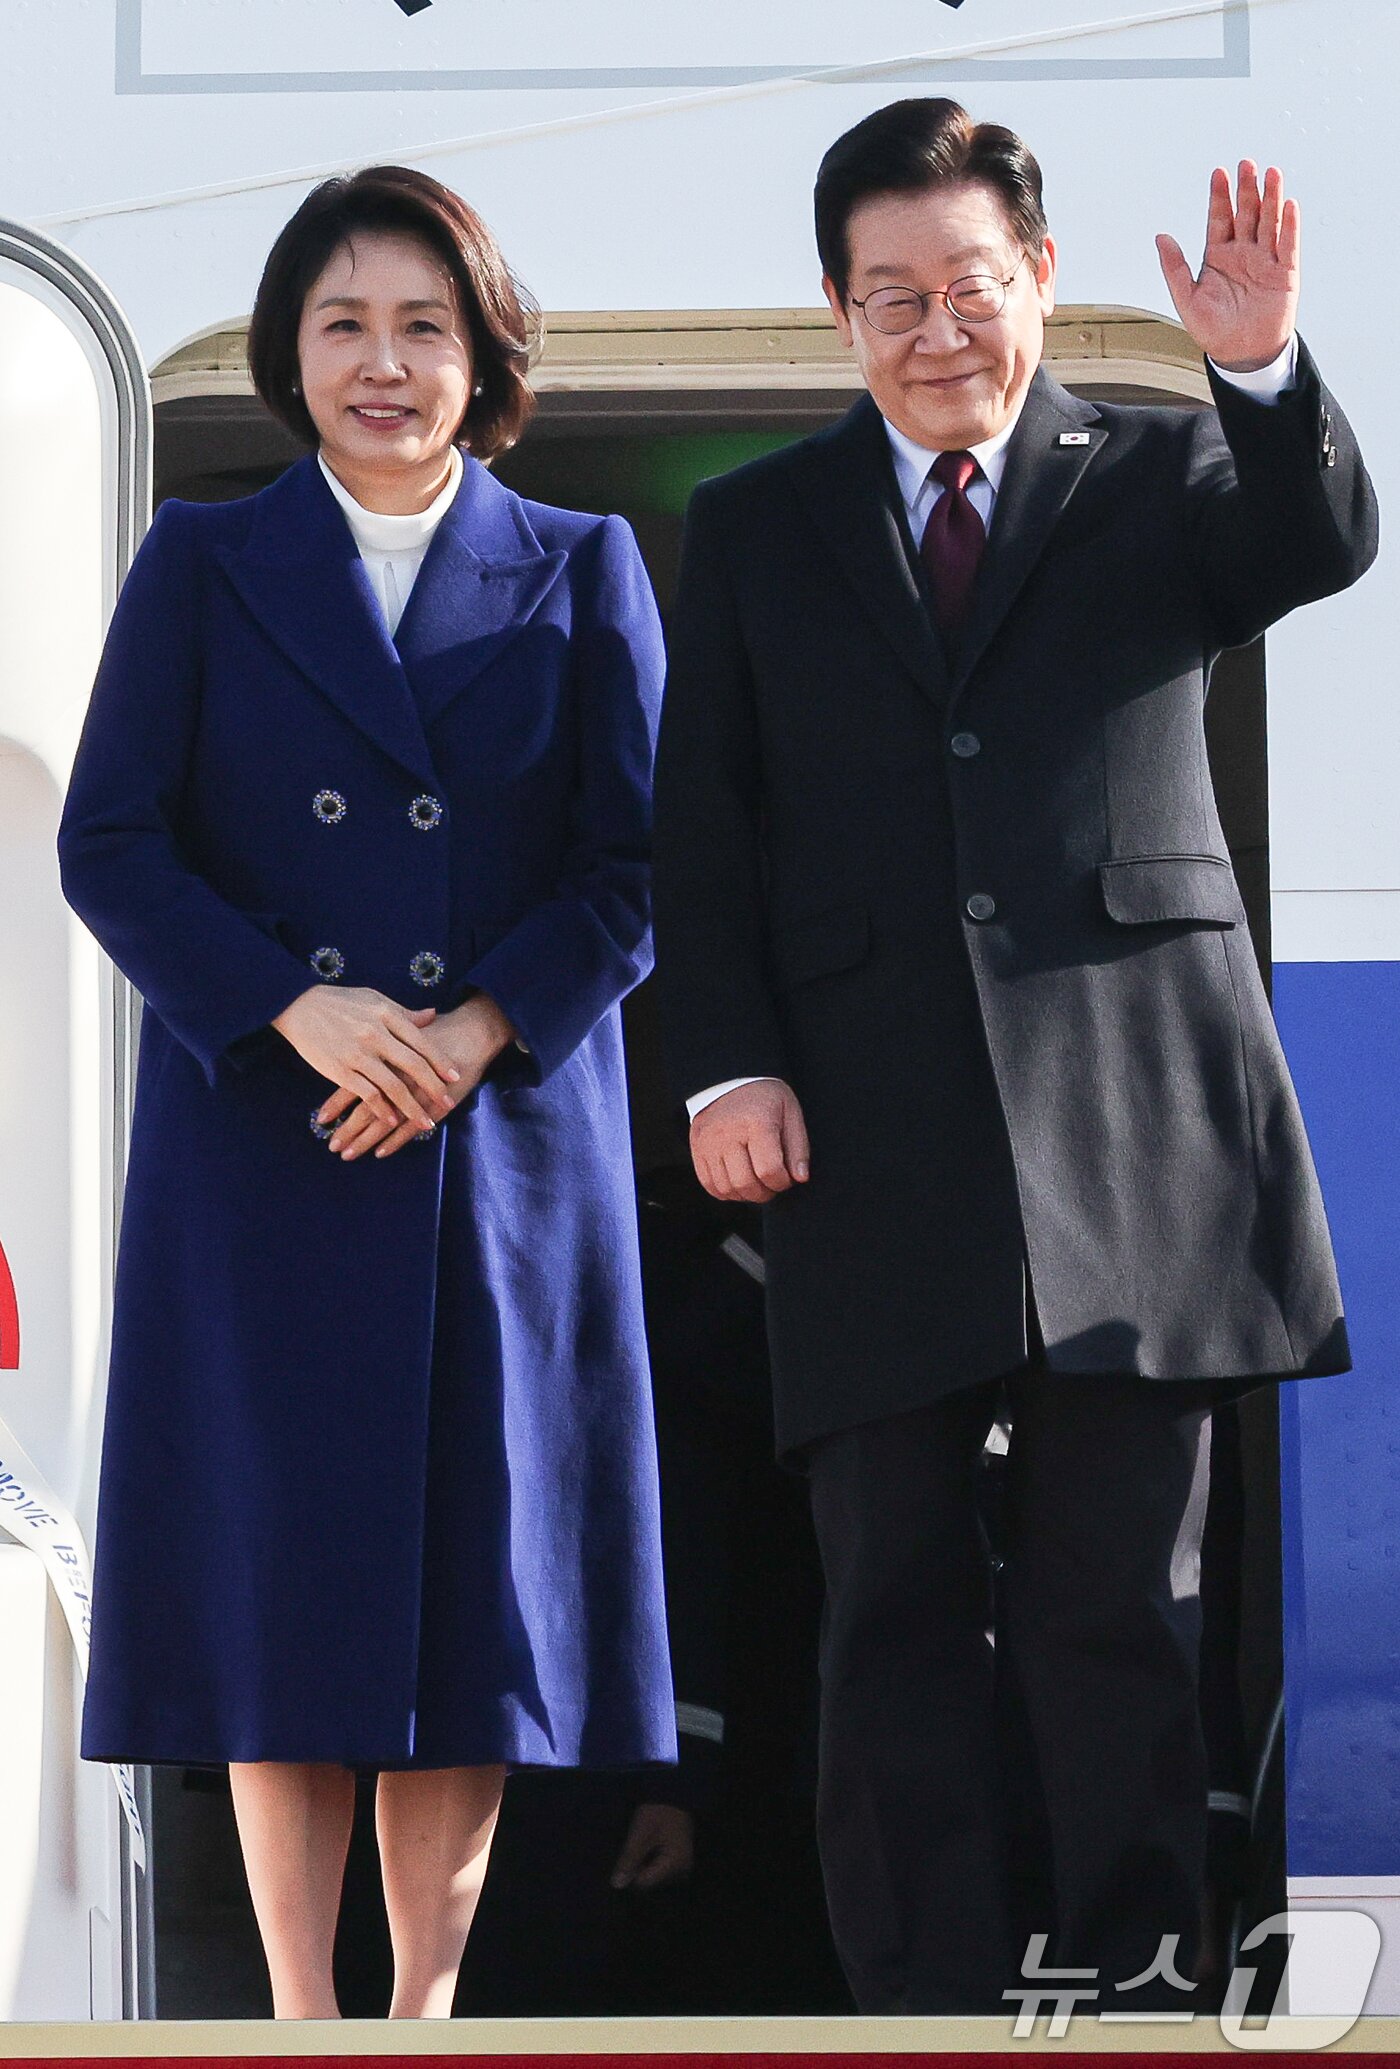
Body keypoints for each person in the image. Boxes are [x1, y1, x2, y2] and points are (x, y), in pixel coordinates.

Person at [652, 98, 1378, 2015]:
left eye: (969, 286)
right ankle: (924, 2013)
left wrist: (1259, 369)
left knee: (1117, 1616)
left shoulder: (1167, 468)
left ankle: (1130, 2007)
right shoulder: (758, 526)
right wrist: (725, 1067)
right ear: (839, 310)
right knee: (888, 1609)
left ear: (1040, 278)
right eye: (890, 297)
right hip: (863, 1142)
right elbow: (702, 829)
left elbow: (1318, 542)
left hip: (1136, 1130)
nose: (936, 331)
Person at [59, 163, 675, 2019]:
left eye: (423, 325)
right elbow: (110, 842)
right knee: (281, 1589)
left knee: (467, 1596)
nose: (383, 363)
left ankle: (421, 2013)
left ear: (485, 354)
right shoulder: (201, 561)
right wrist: (296, 1007)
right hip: (270, 1136)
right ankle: (300, 2017)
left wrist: (472, 1030)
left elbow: (639, 868)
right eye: (344, 325)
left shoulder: (584, 560)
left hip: (498, 1150)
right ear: (289, 352)